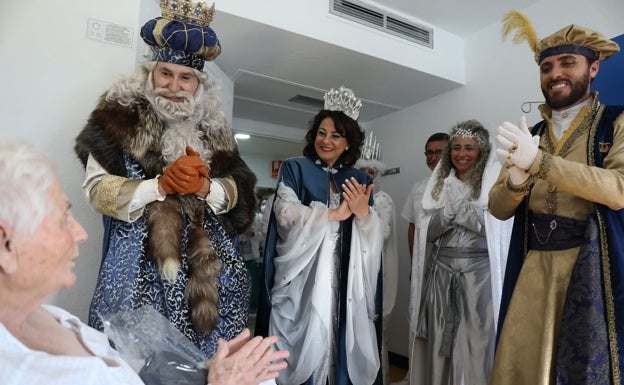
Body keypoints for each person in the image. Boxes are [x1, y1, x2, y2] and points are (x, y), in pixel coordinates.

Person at [0, 139, 288, 385]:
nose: (82, 233)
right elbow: (102, 191)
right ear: (5, 243)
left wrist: (206, 373)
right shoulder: (22, 370)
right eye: (62, 219)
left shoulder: (56, 318)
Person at [73, 1, 257, 358]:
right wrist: (160, 186)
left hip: (210, 275)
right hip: (136, 272)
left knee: (209, 362)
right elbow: (97, 191)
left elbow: (242, 191)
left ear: (198, 83)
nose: (175, 86)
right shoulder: (116, 119)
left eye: (186, 77)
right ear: (150, 74)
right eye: (165, 74)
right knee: (136, 361)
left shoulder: (216, 132)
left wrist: (206, 188)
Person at [489, 10, 624, 385]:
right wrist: (516, 179)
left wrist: (541, 163)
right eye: (546, 67)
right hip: (534, 269)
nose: (556, 74)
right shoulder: (527, 132)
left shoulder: (616, 121)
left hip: (593, 267)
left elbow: (618, 189)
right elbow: (497, 209)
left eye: (568, 62)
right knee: (524, 365)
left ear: (593, 69)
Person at [255, 86, 384, 385]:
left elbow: (372, 239)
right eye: (321, 132)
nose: (326, 140)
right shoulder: (294, 168)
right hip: (304, 274)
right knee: (298, 339)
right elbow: (285, 213)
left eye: (336, 135)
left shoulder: (360, 178)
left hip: (345, 275)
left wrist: (364, 214)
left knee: (340, 338)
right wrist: (332, 215)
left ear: (348, 141)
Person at [409, 120, 510, 385]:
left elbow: (499, 229)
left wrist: (464, 211)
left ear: (482, 152)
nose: (461, 153)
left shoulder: (496, 183)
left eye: (469, 148)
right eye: (455, 147)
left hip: (479, 278)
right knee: (440, 337)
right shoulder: (439, 184)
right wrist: (445, 214)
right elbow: (425, 234)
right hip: (441, 276)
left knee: (474, 341)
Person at [355, 135, 398, 385]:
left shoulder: (382, 199)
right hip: (353, 268)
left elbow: (383, 234)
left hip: (372, 267)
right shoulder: (349, 195)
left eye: (370, 172)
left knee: (370, 323)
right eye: (362, 170)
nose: (366, 175)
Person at [402, 133, 450, 260]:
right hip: (423, 258)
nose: (433, 157)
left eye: (439, 152)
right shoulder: (418, 187)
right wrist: (414, 261)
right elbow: (412, 227)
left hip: (449, 260)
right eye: (429, 153)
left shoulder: (459, 185)